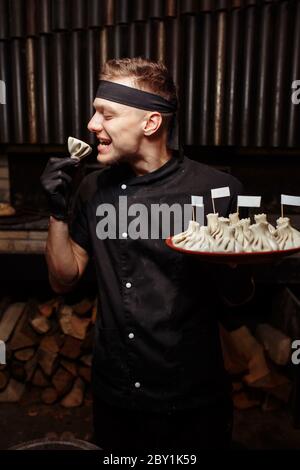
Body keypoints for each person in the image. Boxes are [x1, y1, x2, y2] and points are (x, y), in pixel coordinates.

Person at [40, 57, 254, 452]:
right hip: (115, 393)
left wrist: (236, 262)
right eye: (94, 111)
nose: (92, 124)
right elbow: (63, 279)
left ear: (150, 123)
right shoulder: (92, 189)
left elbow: (237, 296)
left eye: (106, 113)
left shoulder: (216, 190)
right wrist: (57, 210)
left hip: (193, 396)